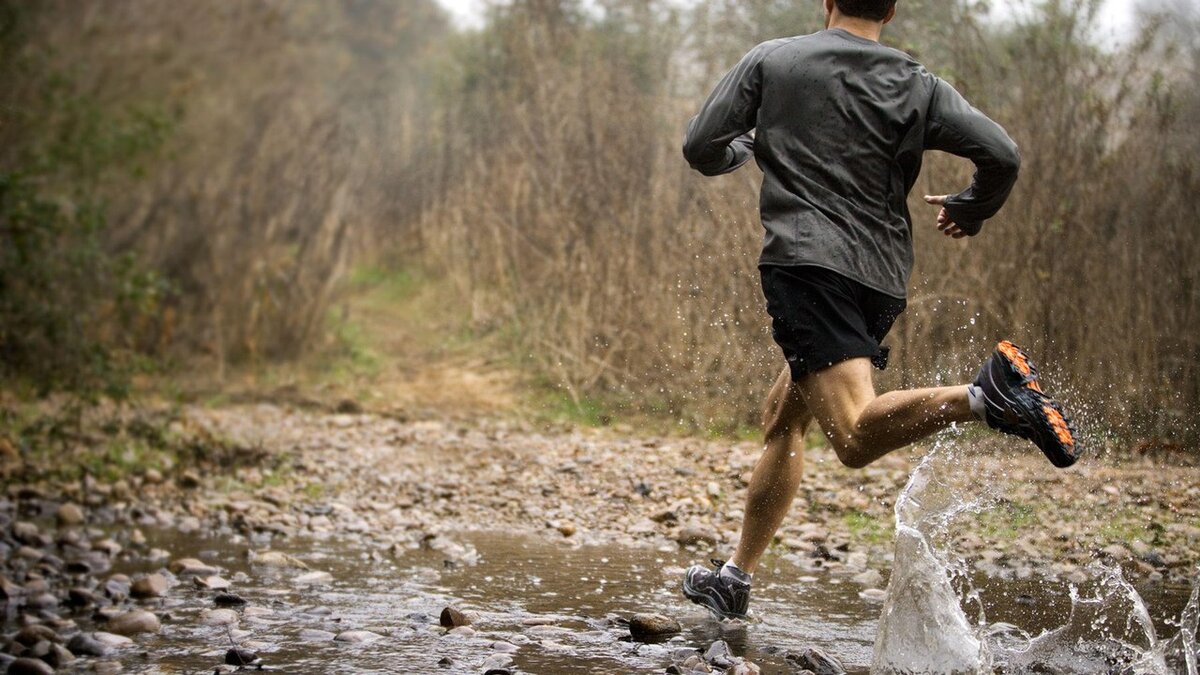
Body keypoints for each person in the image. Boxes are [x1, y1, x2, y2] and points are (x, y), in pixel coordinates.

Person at [679, 0, 1079, 621]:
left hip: (807, 267)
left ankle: (983, 397)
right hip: (881, 280)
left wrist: (746, 149)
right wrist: (972, 207)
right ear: (891, 10)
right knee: (785, 419)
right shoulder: (920, 86)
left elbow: (702, 145)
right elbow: (1002, 155)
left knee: (853, 435)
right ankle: (736, 577)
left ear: (827, 0)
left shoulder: (772, 61)